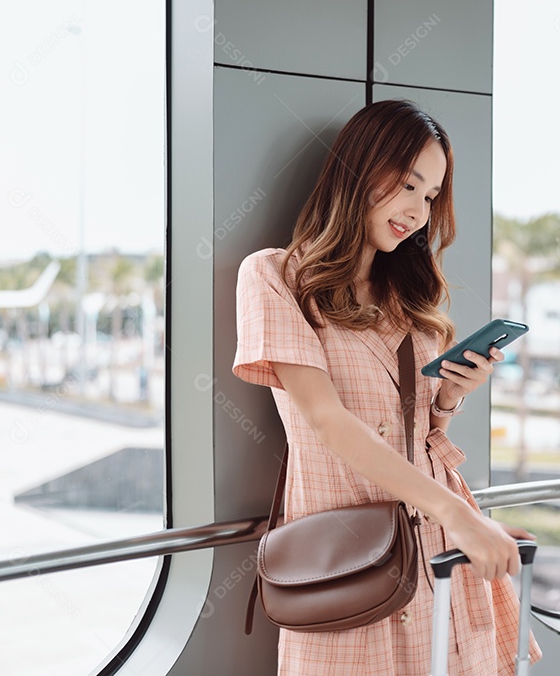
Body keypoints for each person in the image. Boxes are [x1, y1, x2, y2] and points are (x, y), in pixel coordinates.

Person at [232, 99, 542, 675]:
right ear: (358, 170)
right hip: (352, 560)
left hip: (438, 550)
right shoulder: (274, 278)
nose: (418, 211)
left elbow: (419, 433)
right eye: (407, 184)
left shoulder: (407, 301)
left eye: (430, 197)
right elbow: (326, 421)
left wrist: (450, 397)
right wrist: (464, 518)